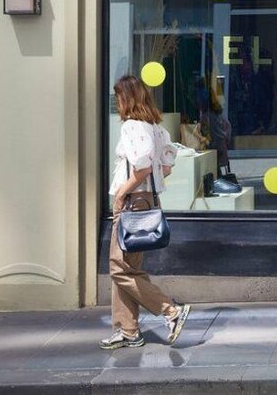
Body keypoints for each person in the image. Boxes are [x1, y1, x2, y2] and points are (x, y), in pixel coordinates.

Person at [99, 75, 191, 350]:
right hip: (148, 201)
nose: (117, 103)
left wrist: (121, 194)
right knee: (129, 269)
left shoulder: (131, 127)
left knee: (118, 269)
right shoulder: (156, 128)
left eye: (118, 98)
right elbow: (167, 166)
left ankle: (170, 310)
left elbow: (141, 168)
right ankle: (127, 330)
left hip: (132, 202)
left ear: (128, 98)